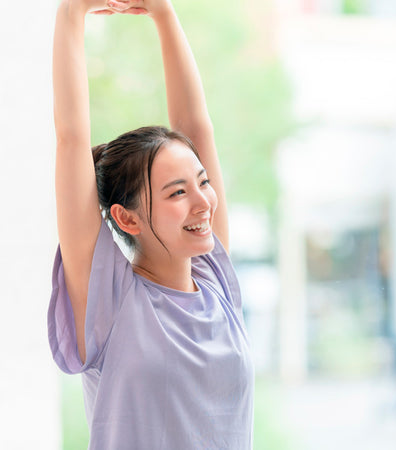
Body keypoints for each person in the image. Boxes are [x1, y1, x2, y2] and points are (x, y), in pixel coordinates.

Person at [47, 0, 254, 448]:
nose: (204, 202)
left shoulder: (215, 279)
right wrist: (71, 11)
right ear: (126, 217)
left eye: (201, 182)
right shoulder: (110, 302)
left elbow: (197, 126)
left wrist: (163, 12)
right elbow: (71, 138)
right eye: (177, 192)